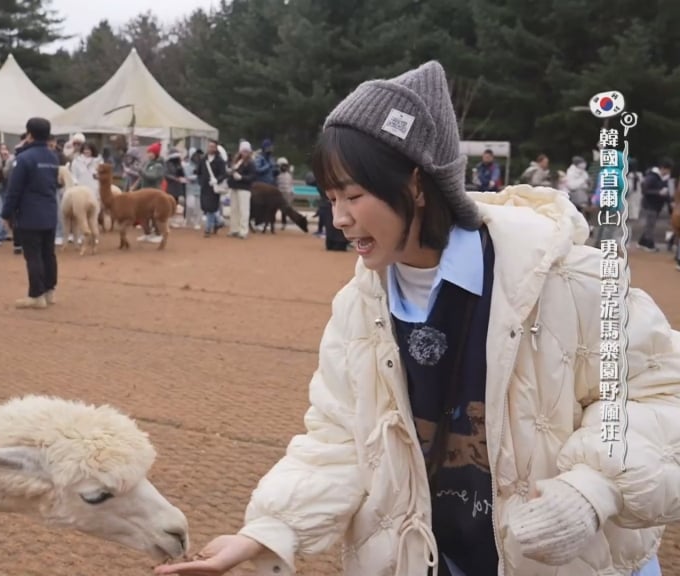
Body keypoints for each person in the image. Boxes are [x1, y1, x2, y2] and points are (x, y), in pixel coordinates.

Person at [156, 61, 675, 576]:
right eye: (332, 198)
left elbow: (662, 390)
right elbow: (340, 439)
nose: (338, 218)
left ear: (418, 184)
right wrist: (267, 530)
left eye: (354, 195)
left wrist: (594, 488)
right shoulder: (358, 307)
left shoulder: (573, 280)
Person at [1, 117, 59, 310]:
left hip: (30, 214)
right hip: (50, 211)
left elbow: (14, 189)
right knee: (48, 253)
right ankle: (49, 291)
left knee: (33, 255)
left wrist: (6, 213)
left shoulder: (24, 158)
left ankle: (36, 295)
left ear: (29, 134)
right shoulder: (53, 157)